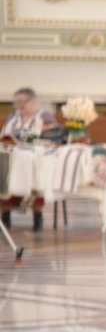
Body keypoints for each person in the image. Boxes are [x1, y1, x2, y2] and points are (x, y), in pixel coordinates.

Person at [1, 87, 56, 231]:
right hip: (14, 154)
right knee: (4, 167)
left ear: (33, 102)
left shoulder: (45, 117)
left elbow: (51, 139)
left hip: (36, 156)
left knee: (36, 171)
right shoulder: (13, 116)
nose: (18, 106)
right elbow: (5, 136)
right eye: (16, 102)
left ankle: (38, 217)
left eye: (22, 102)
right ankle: (5, 215)